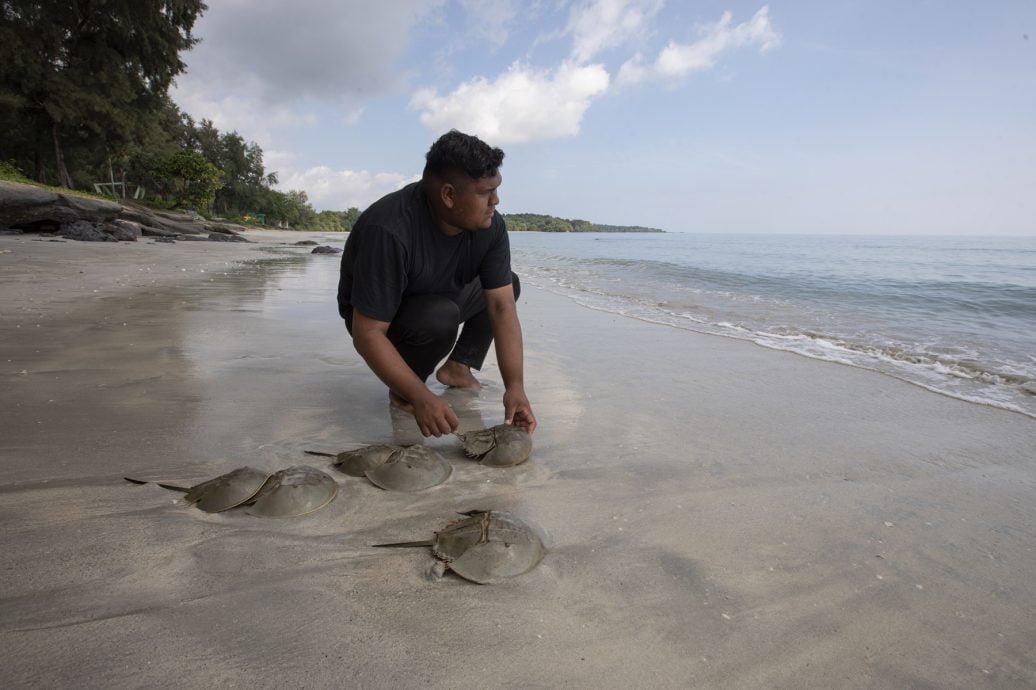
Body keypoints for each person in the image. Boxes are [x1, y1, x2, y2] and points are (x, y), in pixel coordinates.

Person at [338, 130, 537, 439]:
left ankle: (458, 367)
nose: (495, 201)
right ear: (448, 195)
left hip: (440, 293)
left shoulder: (490, 224)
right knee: (438, 315)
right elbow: (368, 334)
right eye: (486, 192)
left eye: (496, 189)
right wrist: (421, 397)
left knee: (507, 285)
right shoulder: (389, 229)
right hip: (382, 318)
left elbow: (501, 306)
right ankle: (404, 390)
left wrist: (516, 388)